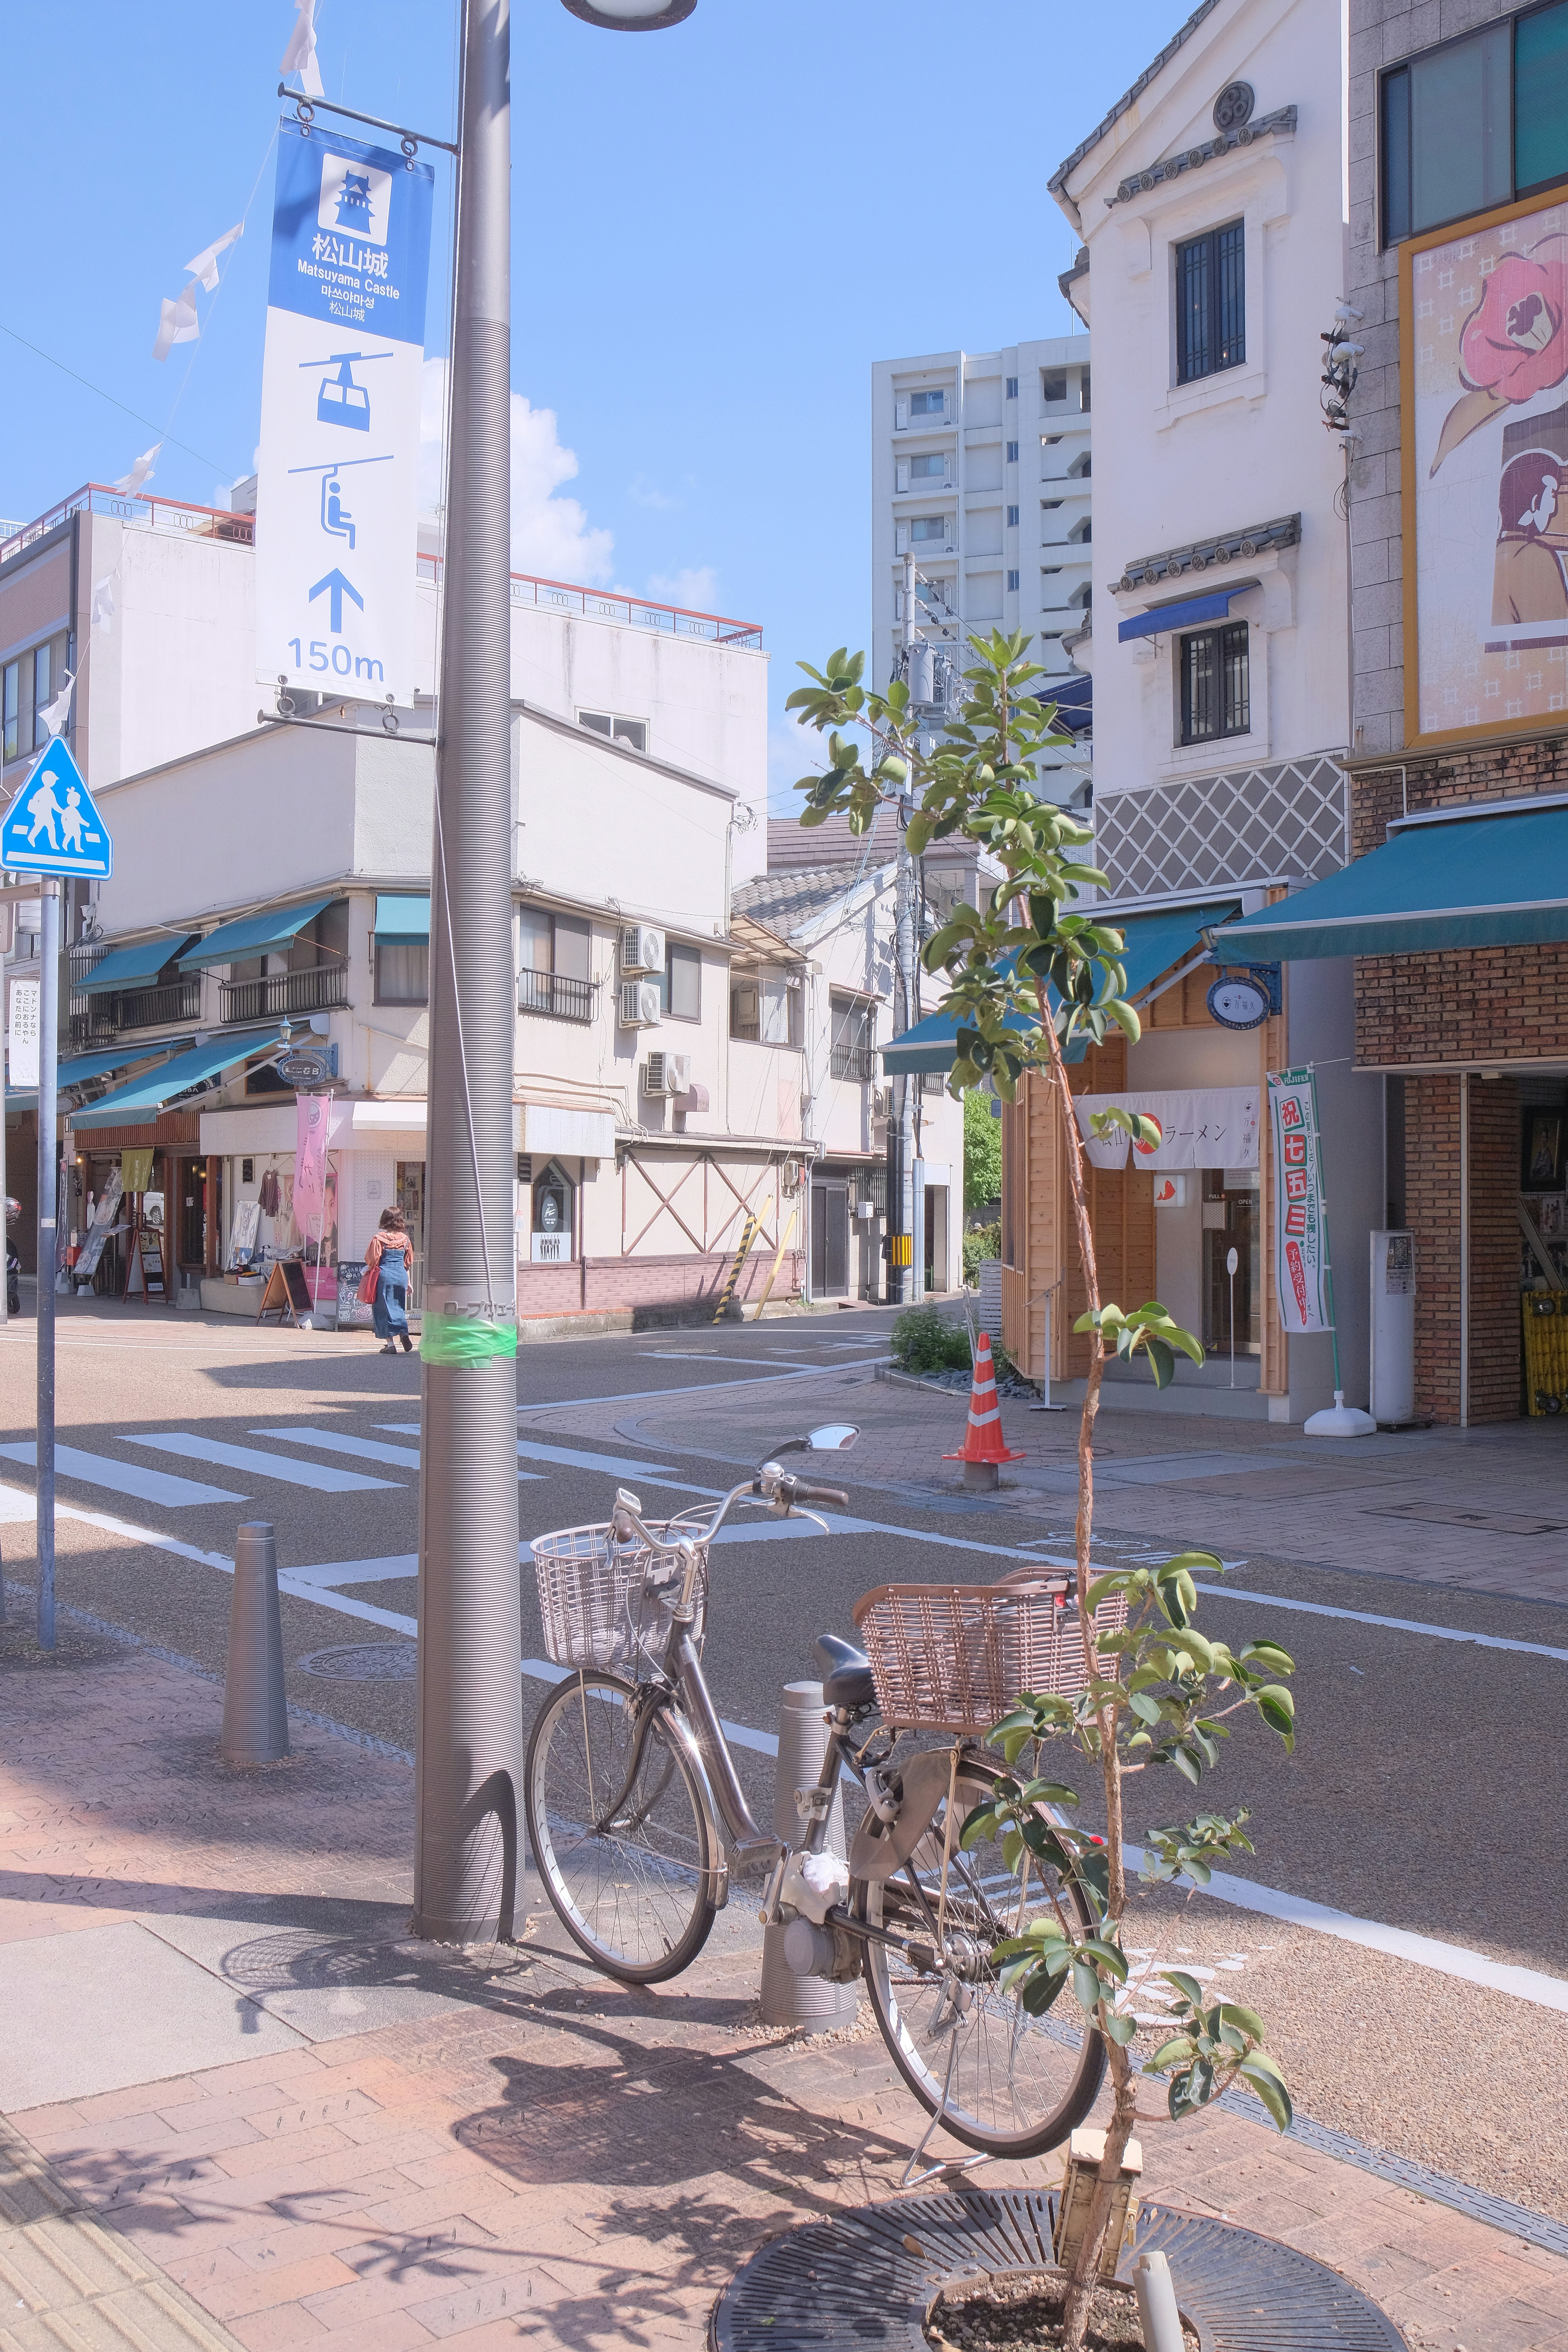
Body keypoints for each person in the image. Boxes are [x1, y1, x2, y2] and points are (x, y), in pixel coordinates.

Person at [364, 1206, 413, 1354]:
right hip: (401, 1276)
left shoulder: (379, 1239)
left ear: (384, 1220)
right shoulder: (405, 1239)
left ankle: (390, 1345)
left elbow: (371, 1260)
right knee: (398, 1306)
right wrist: (409, 1283)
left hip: (384, 1276)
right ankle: (403, 1331)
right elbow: (407, 1263)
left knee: (383, 1309)